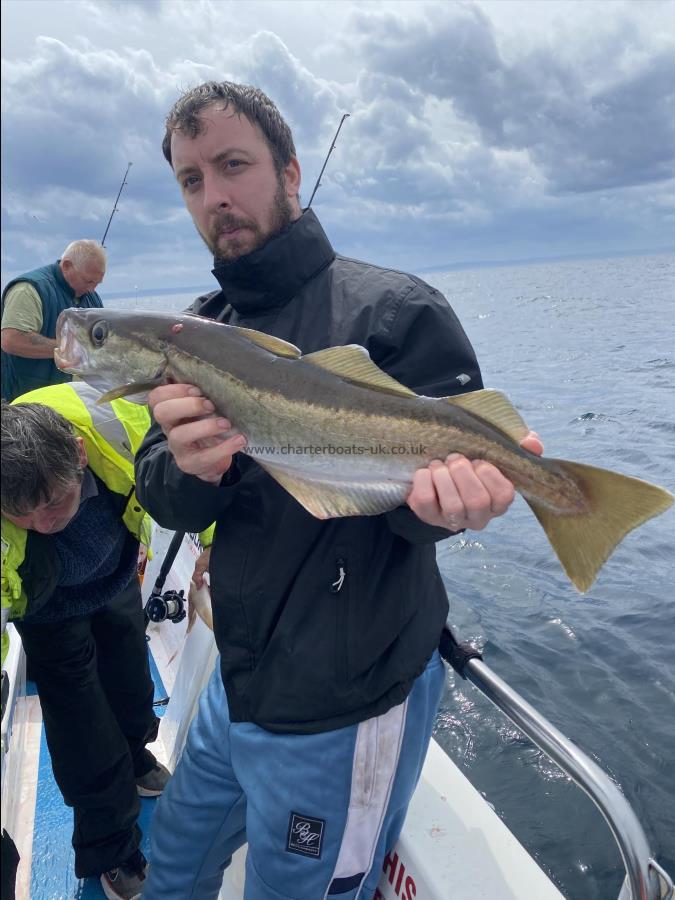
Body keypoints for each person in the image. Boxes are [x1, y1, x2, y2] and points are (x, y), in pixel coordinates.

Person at [134, 81, 543, 900]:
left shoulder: (396, 313)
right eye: (190, 179)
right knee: (170, 865)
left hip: (344, 703)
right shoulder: (193, 328)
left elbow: (425, 508)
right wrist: (190, 465)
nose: (214, 196)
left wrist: (449, 513)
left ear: (289, 171)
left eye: (233, 164)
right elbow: (164, 497)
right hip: (238, 680)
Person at [0, 382, 172, 900]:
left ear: (78, 453)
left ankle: (138, 753)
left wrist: (211, 544)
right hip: (45, 604)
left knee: (131, 679)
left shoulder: (122, 421)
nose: (44, 524)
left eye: (54, 503)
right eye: (23, 516)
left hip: (114, 572)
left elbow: (192, 473)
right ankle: (112, 846)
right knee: (81, 725)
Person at [1, 239, 106, 401]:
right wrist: (73, 349)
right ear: (66, 266)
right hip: (22, 401)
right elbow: (11, 340)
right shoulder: (28, 289)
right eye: (88, 281)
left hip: (68, 400)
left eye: (97, 283)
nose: (93, 289)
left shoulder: (92, 297)